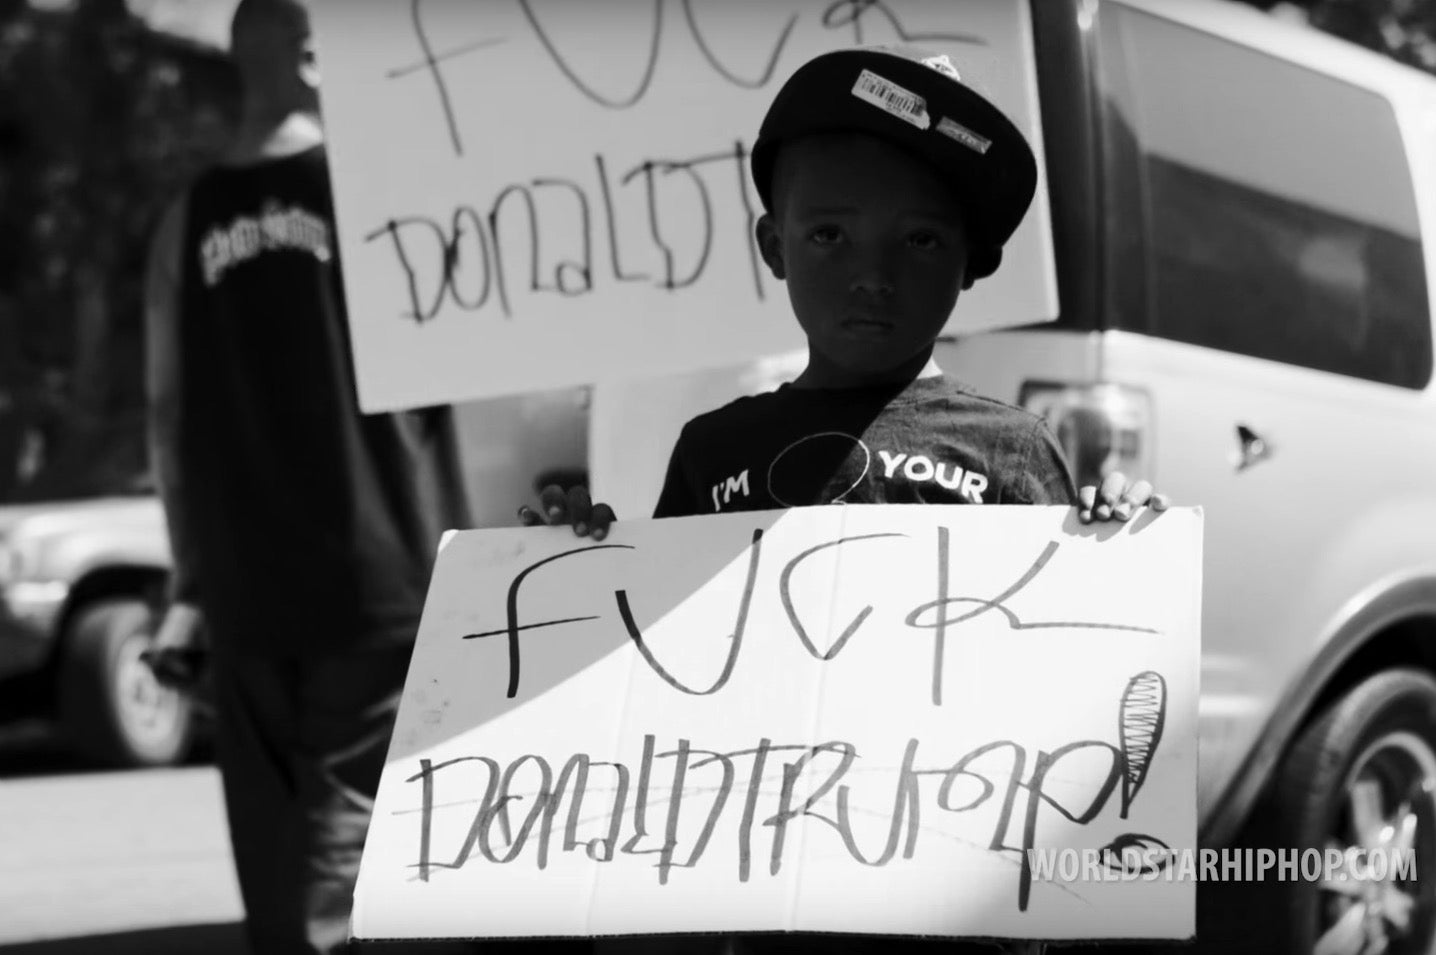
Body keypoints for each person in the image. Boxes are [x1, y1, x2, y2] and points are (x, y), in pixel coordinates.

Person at [522, 45, 1169, 955]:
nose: (874, 273)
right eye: (830, 234)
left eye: (921, 241)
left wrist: (1115, 549)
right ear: (773, 247)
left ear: (974, 263)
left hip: (952, 915)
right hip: (756, 910)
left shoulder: (1013, 451)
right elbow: (658, 672)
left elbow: (1066, 689)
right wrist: (575, 571)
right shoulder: (714, 450)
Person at [142, 1, 470, 952]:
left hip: (242, 576)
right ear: (316, 57)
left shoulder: (182, 222)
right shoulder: (381, 195)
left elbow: (165, 412)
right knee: (344, 821)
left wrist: (190, 575)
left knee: (272, 821)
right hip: (376, 564)